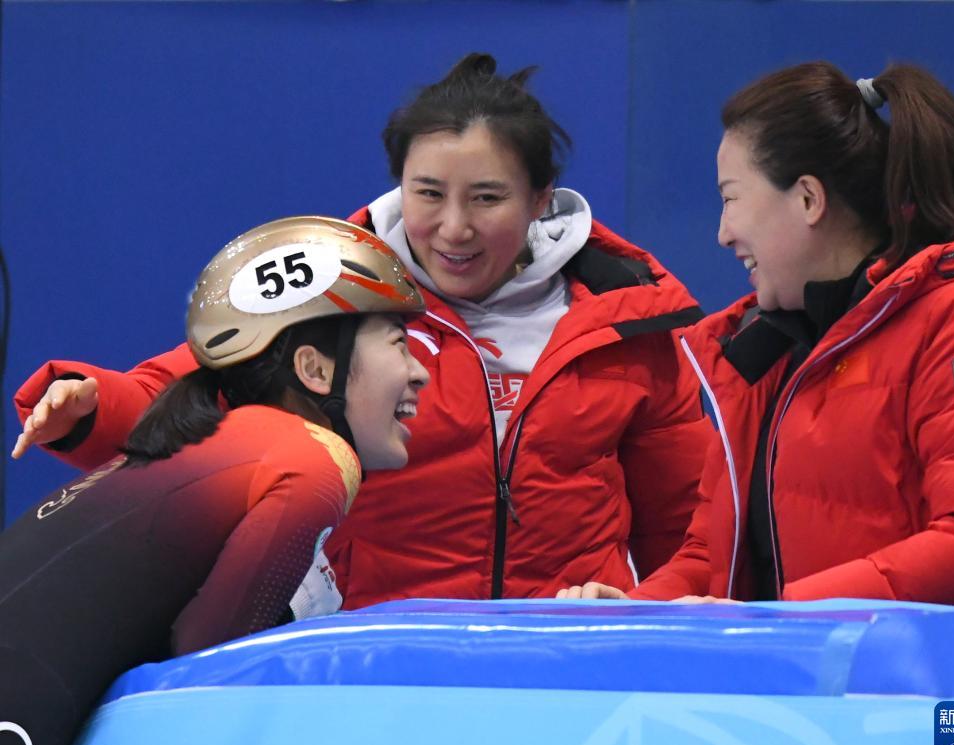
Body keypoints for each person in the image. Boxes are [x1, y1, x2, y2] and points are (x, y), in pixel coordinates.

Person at [12, 53, 712, 608]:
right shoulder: (328, 289)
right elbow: (191, 388)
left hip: (566, 666)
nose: (454, 228)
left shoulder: (623, 314)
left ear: (539, 200)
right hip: (376, 666)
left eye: (487, 198)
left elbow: (689, 529)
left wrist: (640, 611)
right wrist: (92, 404)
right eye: (428, 194)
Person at [559, 61, 954, 604]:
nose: (723, 233)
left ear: (808, 199)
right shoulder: (766, 350)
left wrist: (777, 623)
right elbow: (712, 556)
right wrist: (638, 614)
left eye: (731, 198)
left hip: (910, 667)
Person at [0, 216, 429, 745]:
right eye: (401, 345)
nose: (420, 374)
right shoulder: (318, 457)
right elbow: (201, 674)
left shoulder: (217, 437)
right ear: (315, 369)